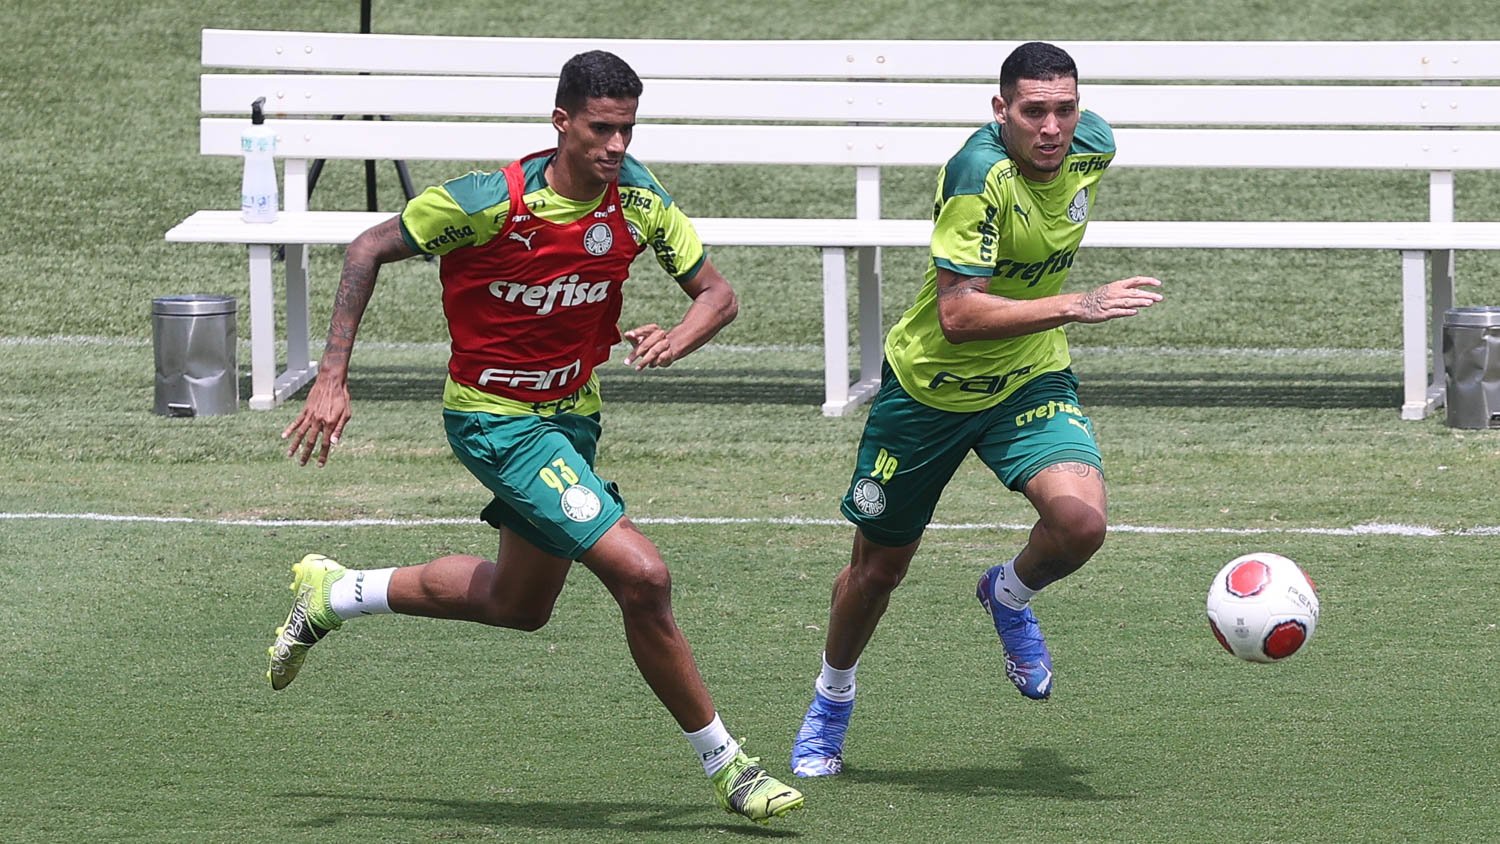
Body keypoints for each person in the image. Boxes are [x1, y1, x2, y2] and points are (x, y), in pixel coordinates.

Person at [266, 50, 804, 825]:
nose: (616, 146)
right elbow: (368, 247)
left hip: (571, 418)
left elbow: (718, 294)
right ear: (561, 122)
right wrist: (331, 377)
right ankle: (730, 767)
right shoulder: (490, 203)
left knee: (518, 603)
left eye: (626, 130)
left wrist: (680, 336)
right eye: (600, 129)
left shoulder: (637, 198)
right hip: (494, 419)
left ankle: (335, 594)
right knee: (643, 576)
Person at [790, 41, 1163, 778]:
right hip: (930, 391)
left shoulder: (1093, 145)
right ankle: (831, 700)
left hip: (1028, 377)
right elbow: (958, 315)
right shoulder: (976, 176)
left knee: (1081, 525)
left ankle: (1008, 593)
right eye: (1033, 112)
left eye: (1064, 110)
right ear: (1001, 110)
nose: (1051, 128)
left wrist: (1059, 315)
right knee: (877, 573)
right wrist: (1078, 304)